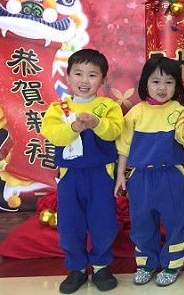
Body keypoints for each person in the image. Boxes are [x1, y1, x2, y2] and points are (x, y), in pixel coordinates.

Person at [113, 55, 184, 286]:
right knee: (142, 223)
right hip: (140, 178)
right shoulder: (135, 113)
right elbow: (123, 147)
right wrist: (121, 175)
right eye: (156, 81)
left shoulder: (178, 110)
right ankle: (146, 263)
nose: (162, 88)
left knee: (175, 222)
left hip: (170, 176)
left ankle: (172, 265)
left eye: (169, 82)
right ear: (145, 83)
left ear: (176, 86)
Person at [41, 49, 124, 294]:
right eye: (78, 73)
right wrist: (73, 128)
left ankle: (100, 266)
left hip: (101, 174)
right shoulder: (58, 108)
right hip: (70, 176)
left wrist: (97, 123)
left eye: (92, 75)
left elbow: (114, 132)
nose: (84, 80)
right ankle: (76, 268)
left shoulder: (109, 107)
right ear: (68, 77)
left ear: (103, 79)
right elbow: (52, 134)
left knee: (103, 221)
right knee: (70, 222)